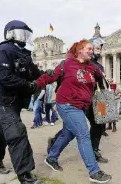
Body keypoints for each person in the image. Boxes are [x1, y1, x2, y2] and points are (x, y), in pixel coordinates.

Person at [35, 40, 112, 183]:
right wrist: (35, 84)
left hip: (81, 106)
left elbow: (101, 79)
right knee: (83, 134)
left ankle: (51, 158)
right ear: (80, 50)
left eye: (92, 49)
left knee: (68, 134)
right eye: (89, 49)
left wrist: (106, 84)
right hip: (66, 104)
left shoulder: (92, 67)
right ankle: (94, 171)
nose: (91, 51)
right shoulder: (66, 64)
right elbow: (50, 77)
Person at [0, 20, 42, 184]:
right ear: (10, 33)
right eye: (21, 33)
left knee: (3, 132)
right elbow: (3, 77)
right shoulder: (2, 50)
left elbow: (35, 74)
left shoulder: (25, 53)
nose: (24, 37)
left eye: (27, 34)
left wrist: (48, 75)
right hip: (3, 99)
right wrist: (29, 85)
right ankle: (25, 174)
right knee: (17, 132)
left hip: (16, 100)